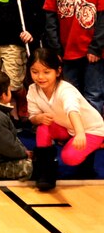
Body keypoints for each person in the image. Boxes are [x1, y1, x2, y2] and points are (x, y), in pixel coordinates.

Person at [43, 0, 104, 115]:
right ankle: (73, 130)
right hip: (66, 52)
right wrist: (55, 48)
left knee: (93, 94)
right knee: (70, 94)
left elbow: (102, 18)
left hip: (92, 52)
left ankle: (94, 132)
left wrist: (96, 47)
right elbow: (51, 18)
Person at [27, 48, 104, 190]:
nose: (40, 77)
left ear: (58, 71)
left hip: (90, 129)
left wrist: (80, 133)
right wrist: (39, 118)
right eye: (35, 72)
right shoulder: (32, 90)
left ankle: (88, 155)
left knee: (69, 158)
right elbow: (32, 117)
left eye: (46, 72)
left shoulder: (65, 89)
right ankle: (45, 172)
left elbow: (72, 110)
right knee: (43, 128)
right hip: (67, 127)